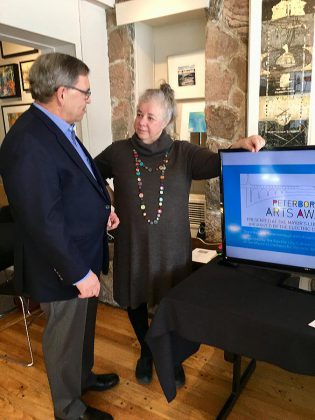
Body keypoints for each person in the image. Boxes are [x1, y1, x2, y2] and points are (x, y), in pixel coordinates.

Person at [94, 83, 266, 387]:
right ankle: (147, 352)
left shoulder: (183, 153)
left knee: (171, 305)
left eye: (150, 117)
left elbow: (217, 161)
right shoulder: (118, 152)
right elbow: (91, 175)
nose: (142, 122)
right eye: (139, 114)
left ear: (166, 122)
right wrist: (107, 201)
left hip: (171, 251)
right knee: (134, 303)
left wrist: (241, 143)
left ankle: (170, 355)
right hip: (131, 246)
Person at [0, 53, 120, 420]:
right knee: (64, 335)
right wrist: (78, 273)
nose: (88, 99)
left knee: (81, 329)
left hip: (83, 251)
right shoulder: (28, 141)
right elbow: (42, 220)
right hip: (62, 265)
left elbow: (81, 179)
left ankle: (81, 379)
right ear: (62, 92)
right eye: (85, 92)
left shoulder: (56, 128)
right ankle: (68, 410)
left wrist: (105, 210)